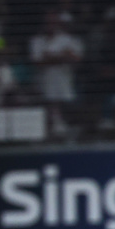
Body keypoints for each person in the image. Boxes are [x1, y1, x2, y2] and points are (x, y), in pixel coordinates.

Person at [29, 10, 84, 138]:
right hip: (44, 86)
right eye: (48, 22)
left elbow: (76, 59)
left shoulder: (67, 39)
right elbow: (37, 62)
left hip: (64, 85)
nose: (50, 24)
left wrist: (50, 57)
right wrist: (61, 56)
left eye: (53, 22)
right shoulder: (37, 40)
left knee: (65, 118)